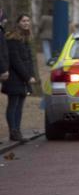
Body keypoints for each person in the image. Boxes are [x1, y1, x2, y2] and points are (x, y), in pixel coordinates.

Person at [2, 14, 36, 142]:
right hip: (14, 78)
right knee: (13, 104)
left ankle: (17, 130)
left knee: (20, 105)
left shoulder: (26, 38)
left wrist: (31, 75)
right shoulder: (12, 39)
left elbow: (29, 59)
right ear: (18, 23)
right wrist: (27, 77)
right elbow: (16, 61)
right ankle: (13, 131)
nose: (26, 23)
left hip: (23, 79)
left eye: (28, 20)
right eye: (23, 21)